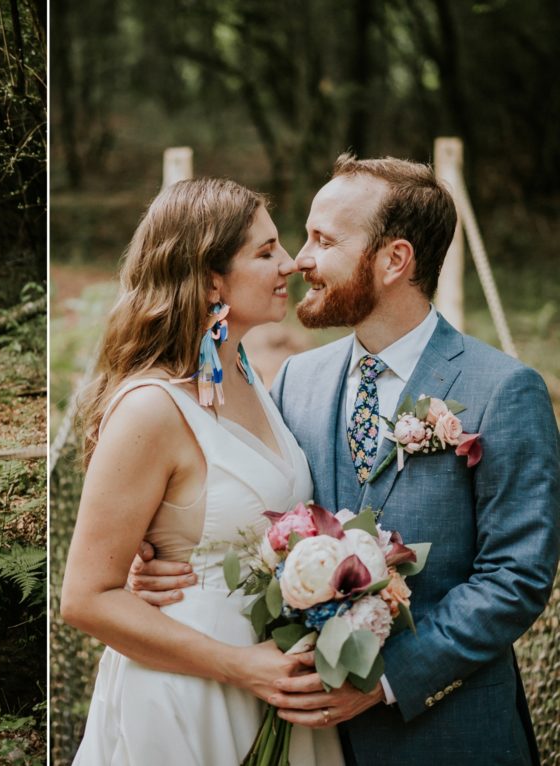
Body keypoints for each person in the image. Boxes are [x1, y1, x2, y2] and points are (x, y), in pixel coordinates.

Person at [130, 155, 560, 765]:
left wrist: (382, 680)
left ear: (394, 260)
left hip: (450, 734)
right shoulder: (293, 382)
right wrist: (158, 559)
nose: (299, 259)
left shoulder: (504, 390)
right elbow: (253, 512)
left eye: (323, 240)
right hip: (309, 737)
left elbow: (515, 578)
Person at [60, 178, 344, 765]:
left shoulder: (242, 372)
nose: (289, 264)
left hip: (272, 687)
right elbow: (85, 598)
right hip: (189, 693)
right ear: (211, 278)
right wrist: (243, 668)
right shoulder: (149, 408)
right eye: (265, 252)